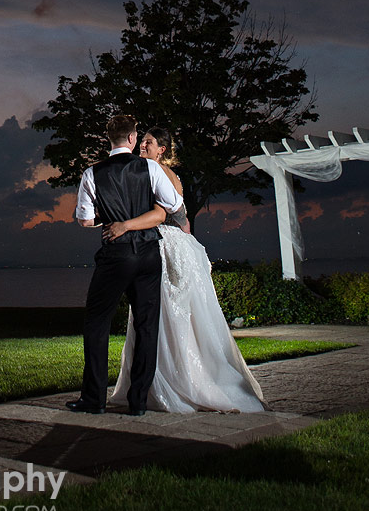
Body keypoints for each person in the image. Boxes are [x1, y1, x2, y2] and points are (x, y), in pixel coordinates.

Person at [106, 127, 265, 414]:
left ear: (162, 149)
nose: (143, 146)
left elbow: (162, 214)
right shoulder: (174, 175)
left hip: (162, 245)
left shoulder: (152, 170)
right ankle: (180, 376)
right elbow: (184, 219)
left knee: (156, 313)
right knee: (178, 315)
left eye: (149, 142)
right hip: (180, 245)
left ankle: (166, 383)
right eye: (142, 141)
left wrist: (127, 225)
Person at [68, 113, 184, 417]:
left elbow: (85, 220)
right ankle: (138, 401)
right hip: (148, 253)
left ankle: (94, 399)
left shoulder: (92, 173)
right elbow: (174, 205)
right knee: (147, 325)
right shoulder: (150, 167)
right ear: (132, 138)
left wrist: (111, 219)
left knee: (97, 322)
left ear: (110, 139)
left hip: (116, 255)